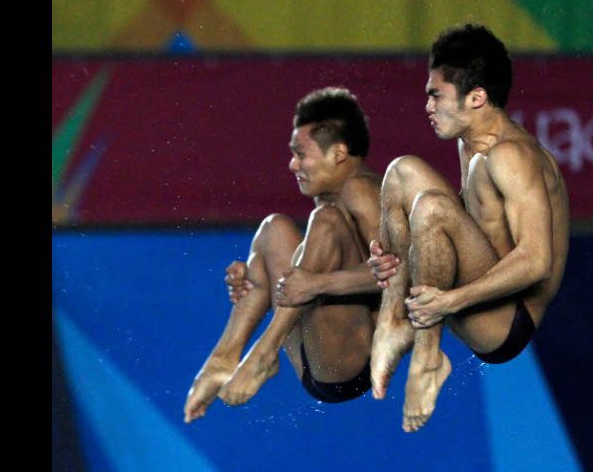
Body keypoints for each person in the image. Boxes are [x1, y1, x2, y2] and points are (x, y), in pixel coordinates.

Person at [366, 24, 571, 432]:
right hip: (472, 286)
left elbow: (536, 262)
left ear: (477, 97)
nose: (427, 106)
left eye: (435, 95)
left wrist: (451, 301)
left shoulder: (512, 156)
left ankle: (427, 360)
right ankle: (393, 322)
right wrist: (395, 259)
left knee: (431, 208)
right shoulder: (471, 143)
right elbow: (470, 230)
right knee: (401, 172)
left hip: (507, 321)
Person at [184, 87, 383, 423]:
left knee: (325, 221)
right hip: (315, 351)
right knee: (273, 228)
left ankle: (264, 352)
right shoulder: (333, 195)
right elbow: (304, 278)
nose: (292, 165)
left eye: (300, 154)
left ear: (338, 153)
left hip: (351, 363)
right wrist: (253, 276)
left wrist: (318, 282)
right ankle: (222, 359)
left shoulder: (363, 192)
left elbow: (400, 275)